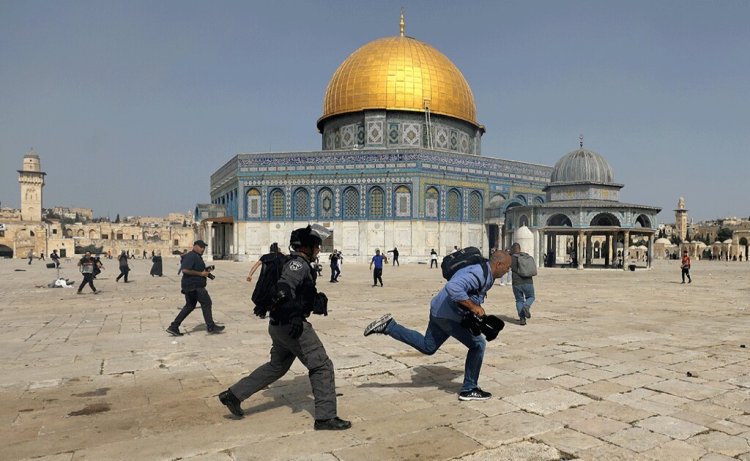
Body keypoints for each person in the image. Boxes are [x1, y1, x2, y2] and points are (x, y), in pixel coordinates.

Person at [218, 225, 351, 431]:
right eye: (316, 246)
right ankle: (325, 417)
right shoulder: (298, 264)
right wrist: (296, 314)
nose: (318, 250)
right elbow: (284, 287)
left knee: (277, 365)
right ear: (307, 247)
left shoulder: (297, 262)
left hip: (278, 326)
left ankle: (234, 395)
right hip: (292, 326)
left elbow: (297, 291)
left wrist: (314, 300)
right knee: (321, 365)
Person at [364, 250, 512, 401]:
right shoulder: (478, 274)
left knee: (428, 346)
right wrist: (474, 307)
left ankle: (389, 326)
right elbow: (453, 287)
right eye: (507, 267)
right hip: (447, 316)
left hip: (439, 309)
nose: (508, 270)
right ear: (498, 264)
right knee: (478, 344)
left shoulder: (486, 273)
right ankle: (469, 388)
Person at [166, 240, 225, 336]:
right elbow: (185, 270)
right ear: (195, 246)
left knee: (189, 306)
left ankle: (174, 326)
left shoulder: (196, 256)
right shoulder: (191, 256)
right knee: (206, 303)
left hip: (191, 285)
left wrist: (206, 270)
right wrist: (201, 274)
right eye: (201, 247)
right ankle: (211, 326)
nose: (203, 249)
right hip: (194, 286)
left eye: (204, 247)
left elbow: (194, 269)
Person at [510, 243, 535, 325]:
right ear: (520, 249)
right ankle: (527, 306)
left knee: (519, 300)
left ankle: (522, 319)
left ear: (513, 249)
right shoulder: (526, 256)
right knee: (531, 297)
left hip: (516, 283)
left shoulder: (511, 258)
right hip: (528, 281)